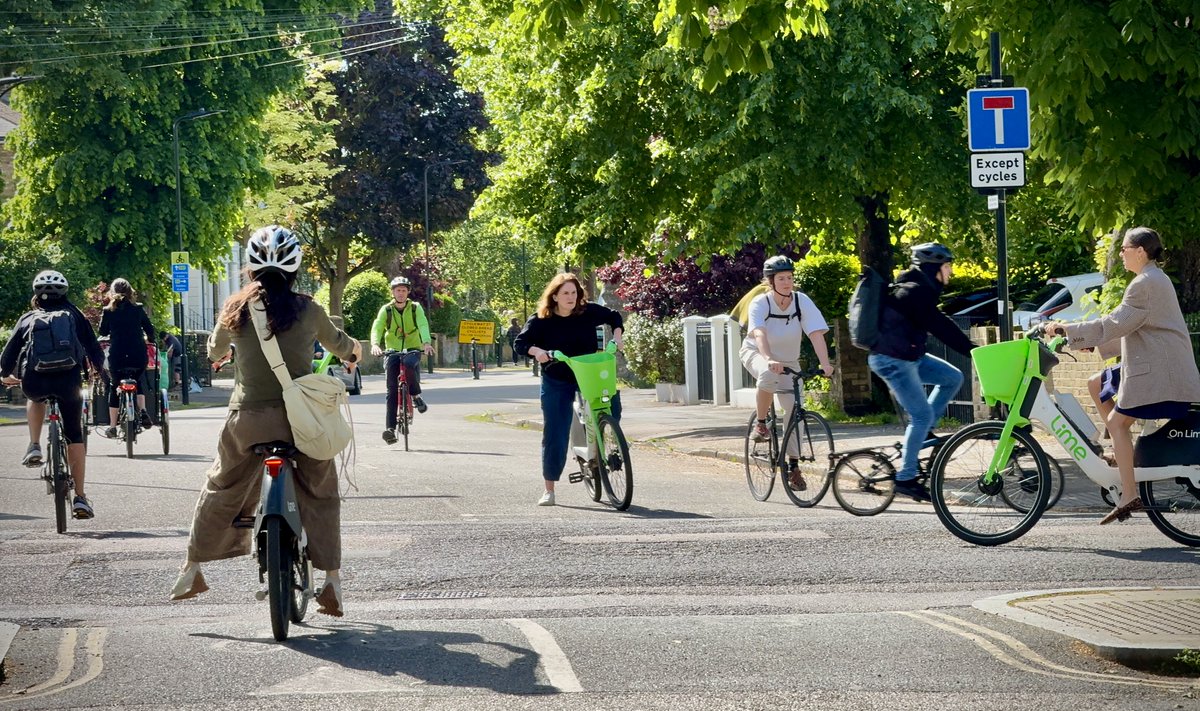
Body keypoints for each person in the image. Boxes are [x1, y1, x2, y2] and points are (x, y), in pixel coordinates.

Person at [170, 226, 362, 616]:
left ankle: (192, 568)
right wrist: (353, 351)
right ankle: (332, 582)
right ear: (295, 268)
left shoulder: (234, 310)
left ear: (251, 268)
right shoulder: (309, 309)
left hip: (248, 421)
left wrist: (222, 355)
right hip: (301, 421)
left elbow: (213, 350)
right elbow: (340, 344)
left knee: (222, 486)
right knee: (321, 491)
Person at [1046, 227, 1200, 525]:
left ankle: (1129, 494)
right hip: (1151, 363)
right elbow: (1139, 329)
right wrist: (1092, 342)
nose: (1120, 254)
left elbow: (1115, 323)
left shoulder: (1145, 283)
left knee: (1117, 421)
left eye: (1125, 248)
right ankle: (1121, 453)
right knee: (1095, 385)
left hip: (1159, 373)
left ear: (1140, 251)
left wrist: (1068, 329)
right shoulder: (1152, 280)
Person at [868, 243, 975, 502]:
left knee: (952, 377)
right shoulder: (915, 291)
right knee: (920, 413)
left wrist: (971, 348)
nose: (951, 272)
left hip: (909, 356)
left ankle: (924, 431)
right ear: (934, 268)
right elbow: (939, 326)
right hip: (891, 360)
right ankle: (906, 477)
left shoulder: (921, 289)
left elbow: (940, 321)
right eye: (947, 267)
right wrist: (971, 350)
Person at [0, 270, 107, 519]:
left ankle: (35, 444)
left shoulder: (28, 318)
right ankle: (80, 497)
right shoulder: (74, 315)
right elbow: (92, 346)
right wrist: (100, 371)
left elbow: (9, 352)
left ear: (37, 294)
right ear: (65, 292)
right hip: (69, 383)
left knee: (34, 397)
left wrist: (4, 374)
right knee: (74, 435)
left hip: (34, 381)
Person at [514, 273, 624, 506]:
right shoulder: (540, 320)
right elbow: (520, 344)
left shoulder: (587, 312)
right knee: (556, 431)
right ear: (554, 296)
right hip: (557, 378)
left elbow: (614, 317)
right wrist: (538, 352)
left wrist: (617, 338)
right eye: (565, 293)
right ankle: (549, 489)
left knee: (611, 402)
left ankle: (609, 442)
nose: (571, 297)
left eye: (574, 292)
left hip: (588, 374)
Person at [739, 256, 835, 490]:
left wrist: (826, 364)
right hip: (758, 354)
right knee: (768, 375)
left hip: (789, 361)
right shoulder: (761, 303)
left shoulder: (801, 302)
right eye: (781, 278)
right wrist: (769, 358)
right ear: (770, 281)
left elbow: (815, 334)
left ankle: (793, 467)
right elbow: (759, 333)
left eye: (790, 278)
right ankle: (761, 423)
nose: (786, 282)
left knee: (795, 412)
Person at [370, 276, 434, 445]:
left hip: (412, 349)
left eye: (404, 290)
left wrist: (426, 343)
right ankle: (390, 429)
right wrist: (375, 344)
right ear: (393, 292)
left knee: (408, 364)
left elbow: (422, 324)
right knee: (391, 390)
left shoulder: (415, 308)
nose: (400, 293)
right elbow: (377, 327)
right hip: (392, 350)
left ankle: (415, 396)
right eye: (398, 290)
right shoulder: (387, 310)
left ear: (408, 292)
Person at [99, 278, 155, 436]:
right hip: (137, 355)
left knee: (114, 385)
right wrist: (151, 339)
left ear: (112, 293)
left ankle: (112, 426)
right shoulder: (138, 309)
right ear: (131, 292)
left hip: (118, 356)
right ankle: (143, 410)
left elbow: (102, 332)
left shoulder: (108, 311)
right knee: (139, 381)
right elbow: (149, 329)